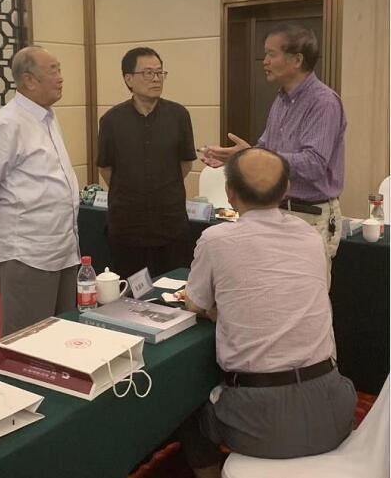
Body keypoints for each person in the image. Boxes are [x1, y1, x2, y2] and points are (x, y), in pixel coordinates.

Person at [180, 148, 356, 478]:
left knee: (187, 416)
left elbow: (194, 303)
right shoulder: (310, 236)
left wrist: (218, 311)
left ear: (230, 193)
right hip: (333, 409)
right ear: (286, 189)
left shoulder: (215, 240)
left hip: (259, 420)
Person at [204, 24, 347, 284]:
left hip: (310, 215)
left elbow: (313, 164)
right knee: (271, 290)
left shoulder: (323, 102)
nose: (265, 61)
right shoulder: (281, 100)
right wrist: (236, 158)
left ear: (297, 60)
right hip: (275, 211)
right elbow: (264, 150)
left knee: (302, 294)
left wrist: (254, 155)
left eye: (271, 54)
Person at [0, 46, 80, 336]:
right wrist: (1, 229)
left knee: (63, 333)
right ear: (29, 80)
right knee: (28, 339)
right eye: (53, 70)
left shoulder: (48, 117)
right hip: (27, 251)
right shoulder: (8, 122)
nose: (61, 77)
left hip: (63, 246)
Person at [97, 47, 196, 278]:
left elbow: (185, 164)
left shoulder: (179, 115)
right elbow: (106, 168)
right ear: (129, 79)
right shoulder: (111, 120)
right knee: (132, 291)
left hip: (170, 223)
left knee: (173, 288)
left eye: (160, 73)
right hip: (127, 225)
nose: (156, 79)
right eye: (148, 73)